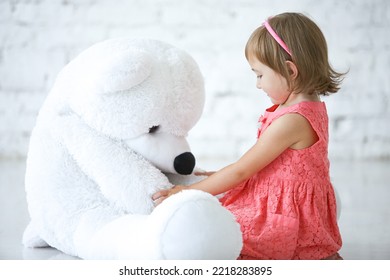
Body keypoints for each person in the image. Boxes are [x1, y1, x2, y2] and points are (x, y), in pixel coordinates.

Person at [153, 12, 344, 260]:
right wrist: (219, 176)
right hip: (282, 198)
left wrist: (188, 193)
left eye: (260, 75)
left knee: (221, 233)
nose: (258, 84)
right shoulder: (306, 107)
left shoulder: (293, 120)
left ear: (290, 70)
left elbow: (242, 170)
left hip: (286, 216)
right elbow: (270, 165)